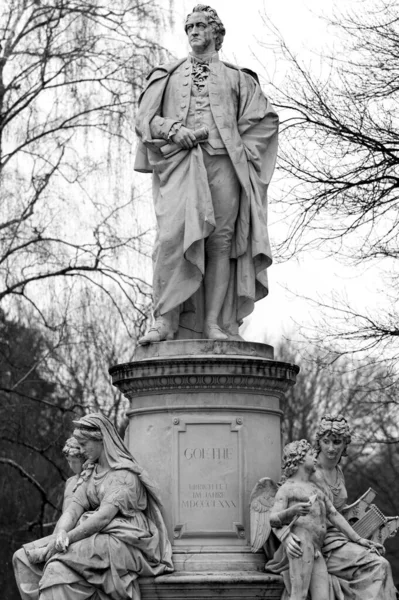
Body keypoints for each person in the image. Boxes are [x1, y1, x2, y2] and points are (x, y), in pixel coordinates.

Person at [135, 4, 278, 343]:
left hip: (224, 165)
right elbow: (145, 119)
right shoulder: (167, 76)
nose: (194, 32)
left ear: (217, 33)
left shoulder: (238, 78)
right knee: (171, 237)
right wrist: (172, 130)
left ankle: (215, 323)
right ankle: (165, 321)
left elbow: (265, 121)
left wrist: (241, 150)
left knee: (221, 243)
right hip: (182, 166)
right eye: (189, 27)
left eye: (201, 26)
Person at [13, 414, 173, 600]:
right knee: (22, 558)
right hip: (93, 533)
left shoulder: (124, 475)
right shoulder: (91, 472)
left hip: (124, 537)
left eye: (83, 444)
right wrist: (59, 535)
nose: (80, 450)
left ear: (102, 439)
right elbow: (73, 510)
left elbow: (104, 518)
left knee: (55, 567)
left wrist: (66, 540)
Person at [285, 415, 397, 600]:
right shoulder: (308, 469)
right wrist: (286, 537)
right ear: (318, 442)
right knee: (379, 566)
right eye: (326, 441)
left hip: (341, 539)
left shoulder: (338, 471)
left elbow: (336, 512)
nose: (331, 448)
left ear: (345, 444)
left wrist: (361, 537)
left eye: (337, 442)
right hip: (320, 545)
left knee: (379, 561)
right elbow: (283, 501)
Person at [269, 439, 381, 600]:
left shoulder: (316, 489)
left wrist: (358, 539)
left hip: (316, 549)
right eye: (310, 454)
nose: (315, 458)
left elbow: (334, 515)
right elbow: (273, 519)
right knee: (299, 595)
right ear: (299, 459)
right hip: (301, 544)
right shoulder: (288, 488)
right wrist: (292, 511)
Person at [13, 437, 85, 600]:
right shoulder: (70, 482)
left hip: (77, 539)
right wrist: (54, 538)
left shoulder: (92, 481)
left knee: (50, 567)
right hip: (60, 535)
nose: (72, 466)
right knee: (19, 557)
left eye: (75, 461)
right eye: (69, 461)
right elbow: (66, 516)